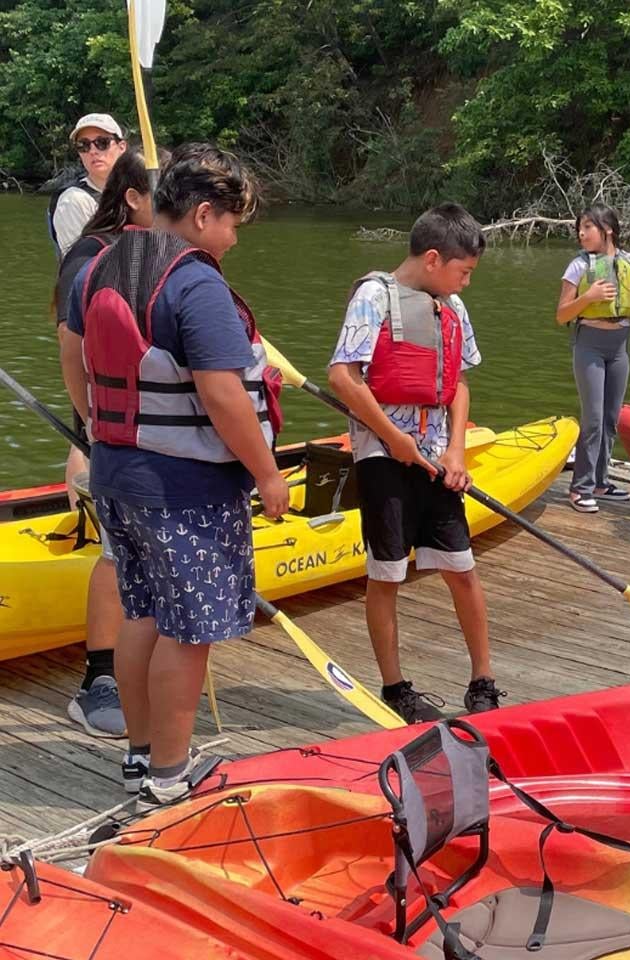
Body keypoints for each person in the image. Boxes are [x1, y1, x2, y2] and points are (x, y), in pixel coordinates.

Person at [60, 143, 285, 808]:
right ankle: (170, 776)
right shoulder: (195, 282)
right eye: (233, 225)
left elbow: (71, 354)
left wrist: (100, 430)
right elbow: (222, 394)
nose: (234, 239)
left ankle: (138, 756)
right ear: (205, 214)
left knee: (143, 614)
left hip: (117, 475)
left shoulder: (97, 263)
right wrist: (268, 475)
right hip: (186, 490)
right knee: (189, 633)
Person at [328, 203, 503, 722]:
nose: (465, 284)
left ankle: (483, 677)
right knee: (387, 574)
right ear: (433, 259)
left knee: (462, 569)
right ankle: (395, 686)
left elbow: (459, 384)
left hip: (437, 455)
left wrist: (455, 449)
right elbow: (343, 376)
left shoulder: (451, 307)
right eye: (463, 272)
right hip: (384, 455)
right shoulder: (373, 298)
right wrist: (392, 439)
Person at [53, 149, 158, 739]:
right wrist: (93, 425)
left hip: (155, 435)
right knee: (117, 553)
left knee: (132, 553)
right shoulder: (92, 258)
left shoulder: (162, 251)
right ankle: (99, 678)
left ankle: (144, 662)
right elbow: (74, 348)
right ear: (132, 197)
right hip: (113, 431)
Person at [555, 205, 630, 513]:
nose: (581, 233)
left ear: (608, 230)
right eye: (580, 227)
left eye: (588, 227)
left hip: (620, 346)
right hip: (589, 344)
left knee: (610, 417)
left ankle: (601, 482)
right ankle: (580, 488)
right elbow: (561, 314)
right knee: (592, 418)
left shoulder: (629, 261)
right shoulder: (577, 266)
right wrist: (587, 298)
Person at [49, 114, 128, 259]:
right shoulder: (74, 201)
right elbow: (79, 265)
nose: (93, 151)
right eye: (83, 145)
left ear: (121, 147)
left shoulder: (138, 193)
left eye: (102, 142)